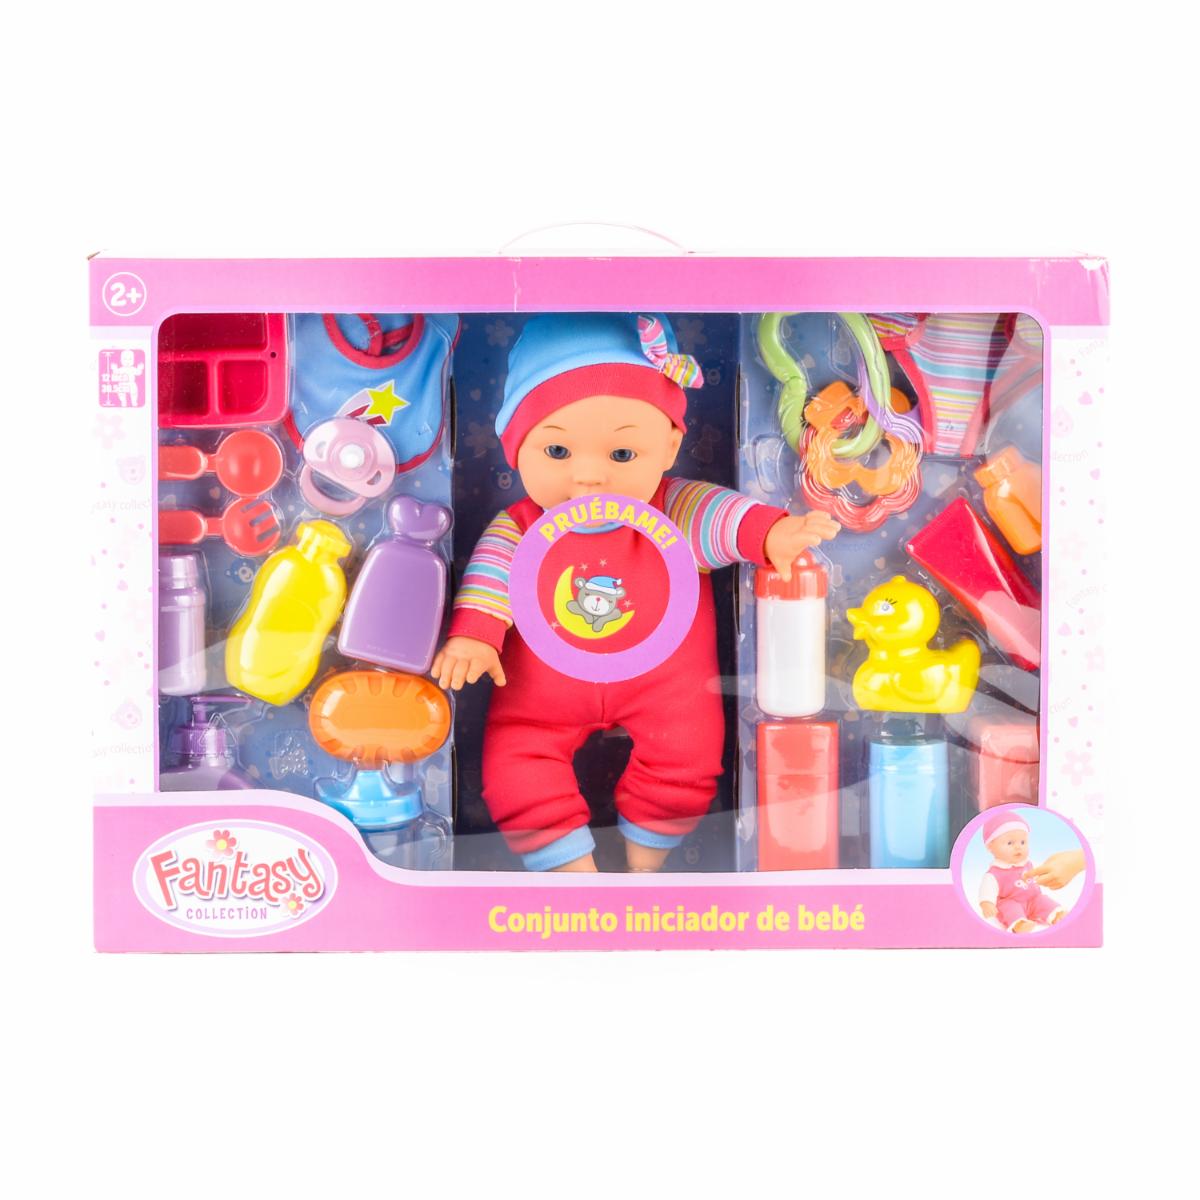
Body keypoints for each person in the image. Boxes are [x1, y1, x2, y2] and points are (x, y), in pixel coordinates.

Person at [433, 313, 838, 872]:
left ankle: (646, 867)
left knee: (688, 755)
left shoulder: (675, 509)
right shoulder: (521, 529)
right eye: (557, 452)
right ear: (515, 448)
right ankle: (570, 874)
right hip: (540, 698)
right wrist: (475, 637)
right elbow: (490, 579)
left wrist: (774, 534)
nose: (589, 477)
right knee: (513, 765)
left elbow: (729, 519)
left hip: (667, 689)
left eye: (621, 455)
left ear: (670, 447)